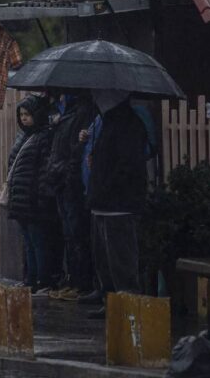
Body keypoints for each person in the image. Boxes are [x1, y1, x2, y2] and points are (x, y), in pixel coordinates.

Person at [85, 97, 148, 319]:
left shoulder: (128, 124)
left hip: (119, 204)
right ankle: (110, 300)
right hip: (102, 203)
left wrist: (106, 185)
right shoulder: (108, 122)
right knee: (104, 260)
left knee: (121, 259)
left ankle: (127, 304)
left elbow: (128, 165)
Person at [44, 94, 97, 300]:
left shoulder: (82, 112)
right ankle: (73, 280)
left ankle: (82, 283)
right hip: (60, 179)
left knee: (77, 234)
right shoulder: (61, 112)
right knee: (69, 234)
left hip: (71, 182)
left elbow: (76, 149)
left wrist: (67, 174)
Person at [6, 95, 55, 294]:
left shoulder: (43, 137)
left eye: (28, 114)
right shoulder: (24, 137)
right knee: (28, 242)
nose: (24, 118)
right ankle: (30, 278)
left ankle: (42, 280)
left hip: (34, 199)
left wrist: (41, 197)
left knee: (38, 241)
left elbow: (44, 170)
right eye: (21, 115)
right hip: (21, 198)